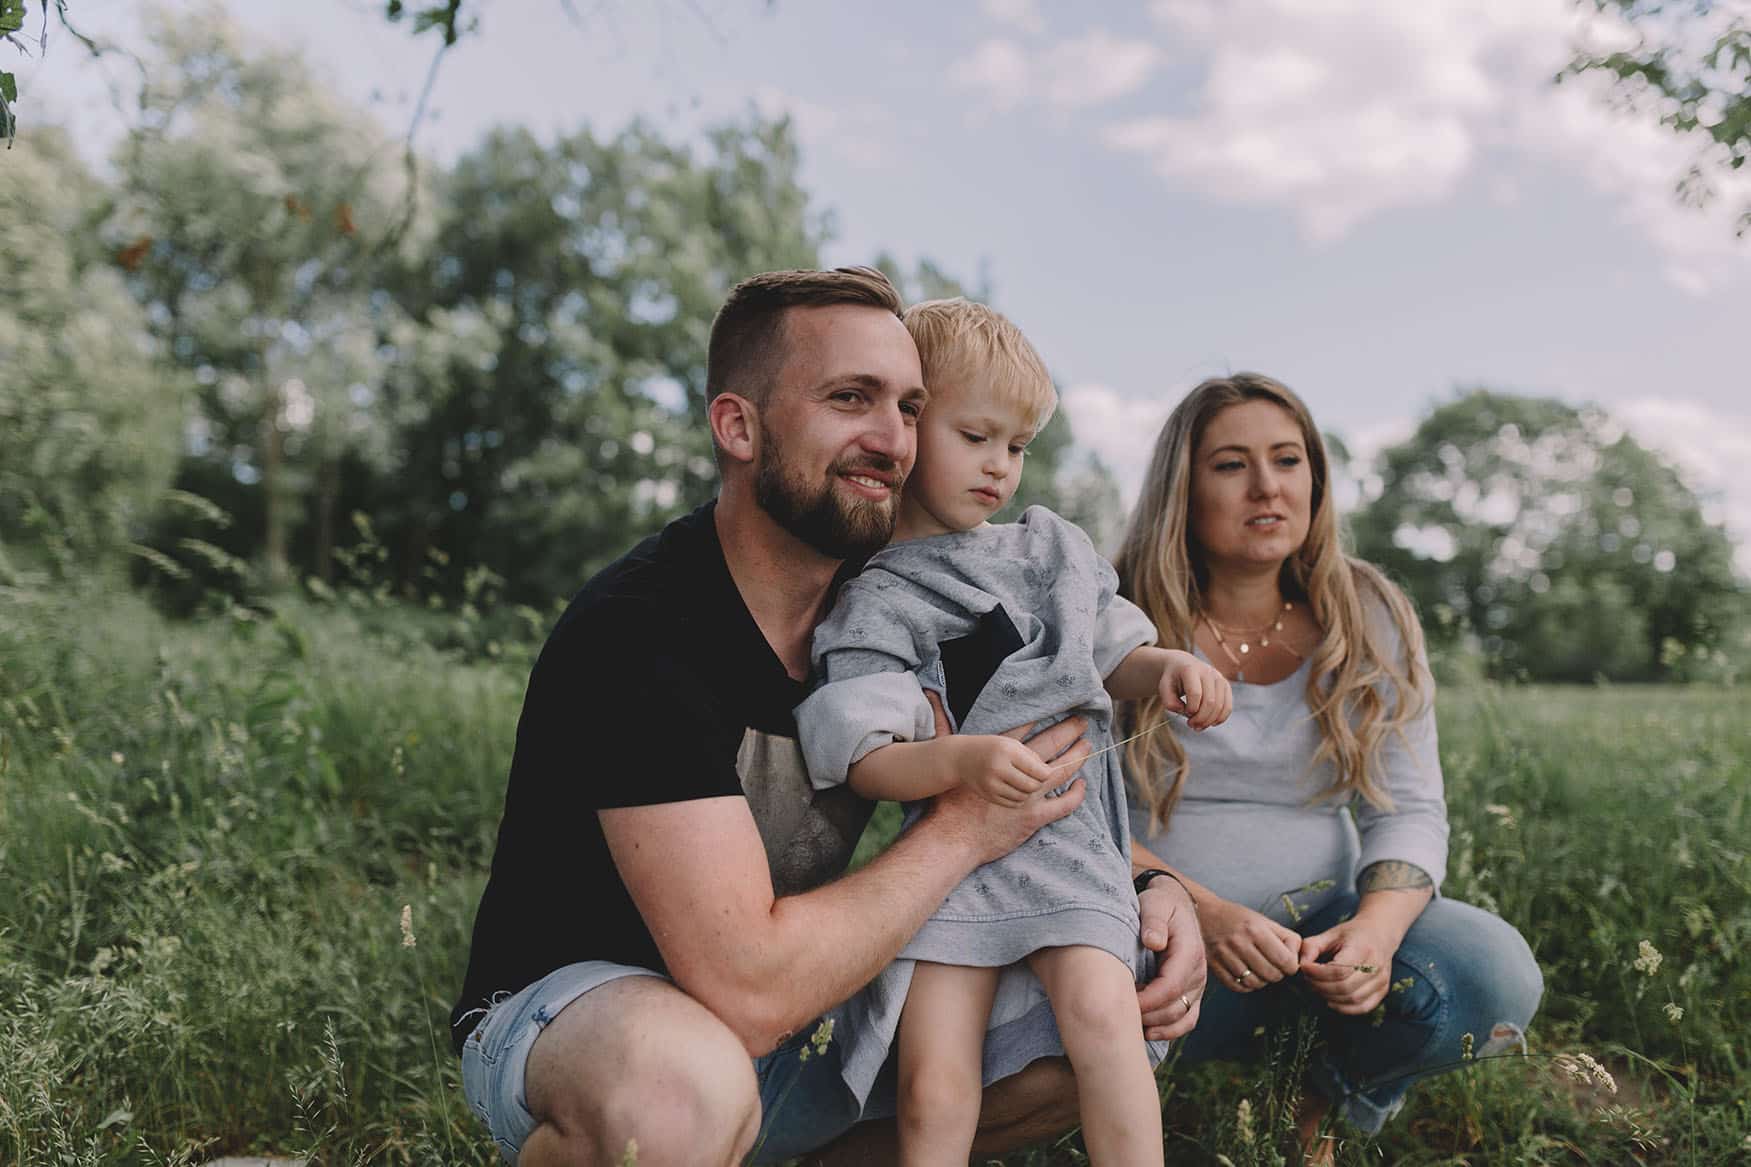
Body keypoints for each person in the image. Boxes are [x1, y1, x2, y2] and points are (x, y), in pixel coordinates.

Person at [447, 266, 1209, 1167]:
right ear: (739, 426)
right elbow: (745, 988)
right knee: (681, 1092)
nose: (892, 438)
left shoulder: (902, 593)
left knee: (1096, 1009)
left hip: (793, 1008)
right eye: (852, 398)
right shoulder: (644, 633)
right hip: (592, 1014)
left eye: (911, 406)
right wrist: (962, 830)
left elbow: (1029, 757)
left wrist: (1158, 893)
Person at [795, 299, 1233, 1166]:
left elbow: (1112, 649)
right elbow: (864, 757)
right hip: (952, 863)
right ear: (913, 430)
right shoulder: (878, 597)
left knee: (1103, 1019)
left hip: (1069, 843)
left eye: (1017, 445)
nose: (1000, 466)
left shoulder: (1048, 554)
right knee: (935, 1080)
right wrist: (955, 758)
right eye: (976, 436)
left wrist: (1169, 667)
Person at [1112, 373, 1545, 1158]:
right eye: (1230, 464)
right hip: (1145, 940)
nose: (1267, 485)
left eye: (1287, 459)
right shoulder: (1113, 612)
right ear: (1183, 483)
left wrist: (1374, 932)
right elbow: (1064, 799)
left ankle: (1317, 1103)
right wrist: (1198, 909)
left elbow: (1409, 806)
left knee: (1489, 974)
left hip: (1317, 950)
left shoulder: (1367, 612)